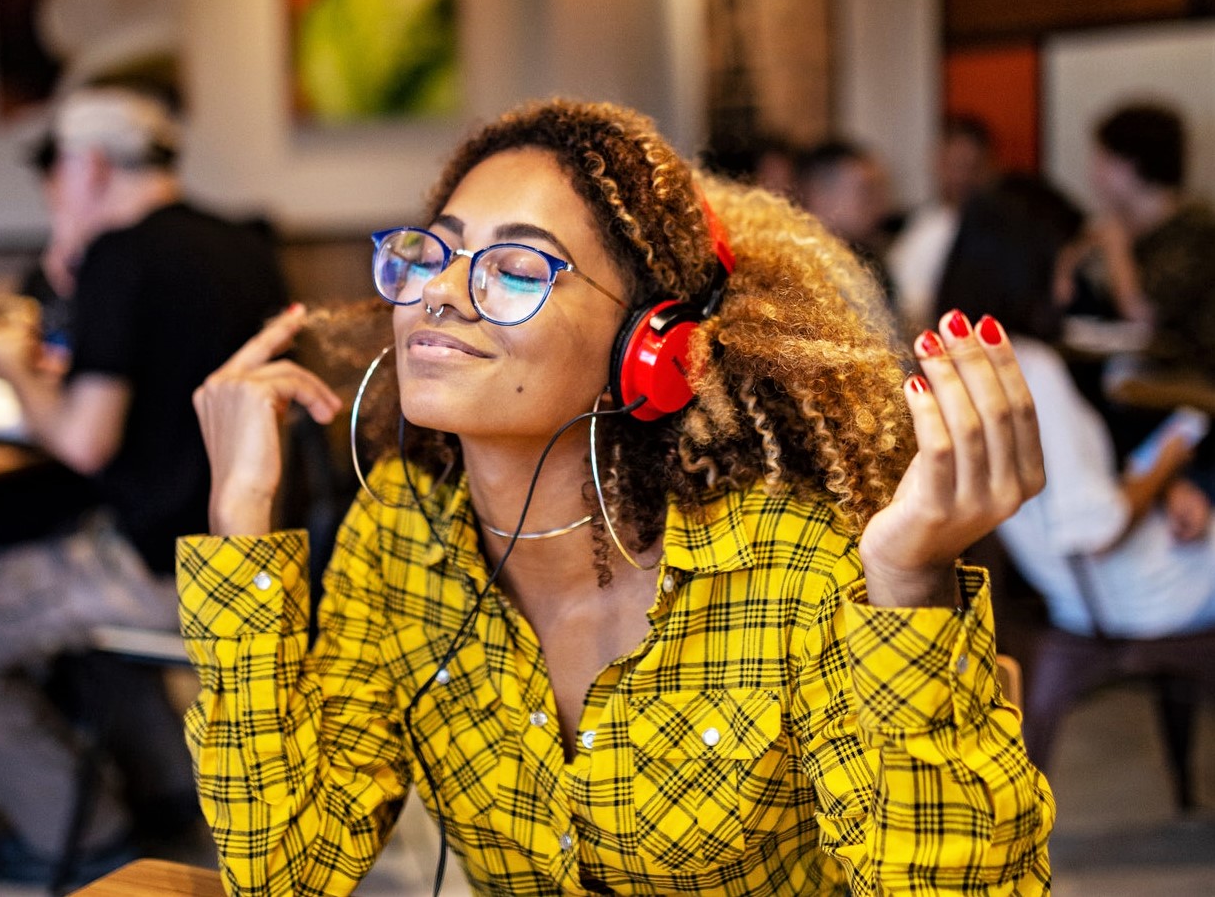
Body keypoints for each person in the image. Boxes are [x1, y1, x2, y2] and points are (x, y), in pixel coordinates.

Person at [180, 99, 1052, 895]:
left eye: (517, 268)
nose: (439, 293)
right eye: (431, 252)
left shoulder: (786, 559)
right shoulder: (400, 529)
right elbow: (286, 873)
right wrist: (239, 522)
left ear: (651, 349)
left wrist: (907, 584)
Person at [0, 84, 287, 884]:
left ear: (87, 165)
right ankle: (163, 791)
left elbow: (85, 441)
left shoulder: (121, 255)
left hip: (156, 566)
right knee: (35, 562)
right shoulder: (240, 242)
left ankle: (83, 828)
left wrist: (11, 368)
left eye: (55, 174)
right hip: (243, 553)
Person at [938, 175, 1215, 642]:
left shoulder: (965, 362)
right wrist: (1168, 463)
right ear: (1024, 270)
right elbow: (1096, 529)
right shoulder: (1032, 369)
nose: (1067, 293)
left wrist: (1165, 488)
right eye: (1063, 271)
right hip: (1137, 589)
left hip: (1081, 590)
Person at [1078, 102, 1215, 378]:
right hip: (1137, 376)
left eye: (1104, 159)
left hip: (1187, 384)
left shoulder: (1194, 229)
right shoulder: (1130, 227)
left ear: (1133, 164)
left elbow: (1142, 313)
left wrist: (1116, 247)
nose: (1095, 174)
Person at [888, 115, 996, 339]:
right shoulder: (921, 221)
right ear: (936, 162)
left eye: (970, 166)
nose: (961, 176)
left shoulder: (992, 231)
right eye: (953, 165)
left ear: (988, 167)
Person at [795, 139, 897, 305]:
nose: (881, 205)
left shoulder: (871, 258)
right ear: (820, 195)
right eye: (866, 191)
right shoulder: (797, 270)